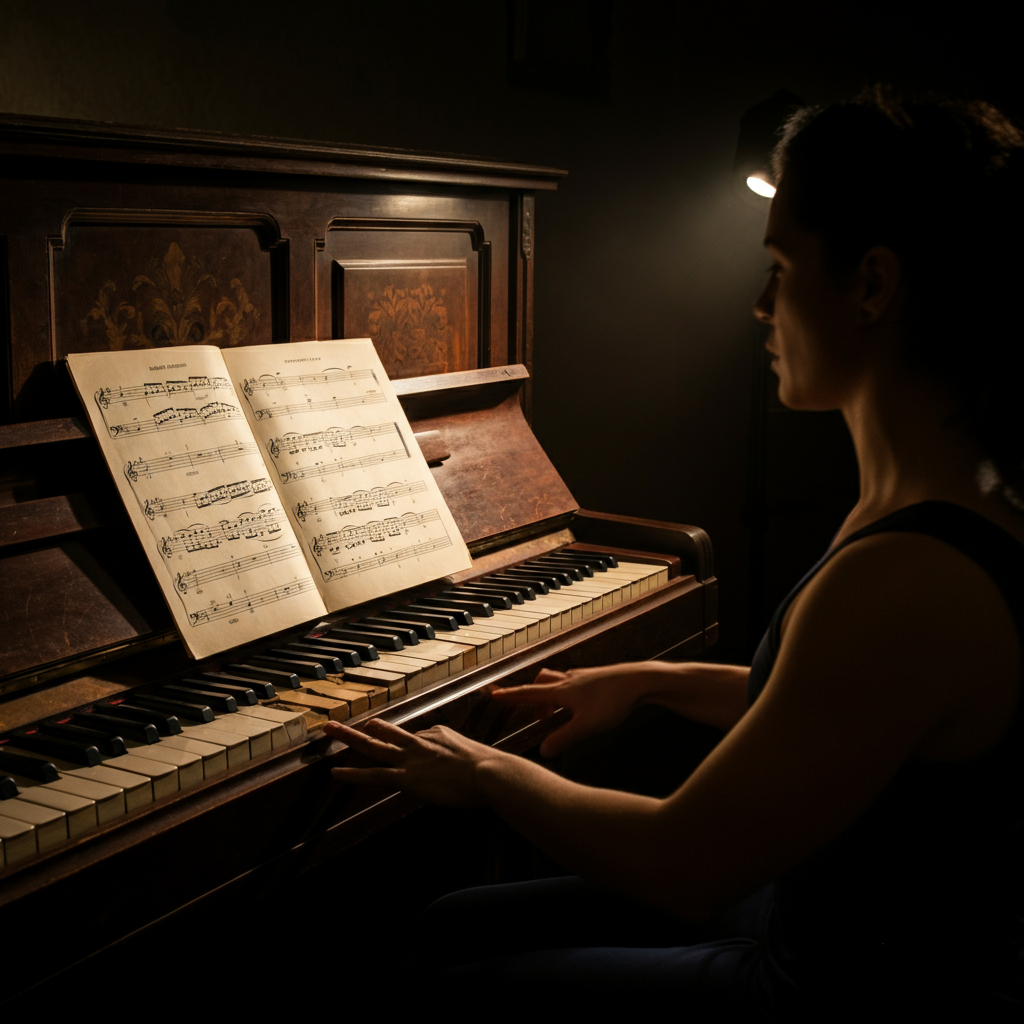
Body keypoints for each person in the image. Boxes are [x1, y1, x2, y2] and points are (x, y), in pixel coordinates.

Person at [325, 88, 1023, 1018]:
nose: (761, 305)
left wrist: (490, 773)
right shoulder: (941, 499)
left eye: (781, 268)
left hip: (830, 993)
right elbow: (841, 712)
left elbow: (680, 865)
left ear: (873, 285)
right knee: (459, 920)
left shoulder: (912, 575)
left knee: (426, 996)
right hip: (812, 913)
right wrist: (650, 678)